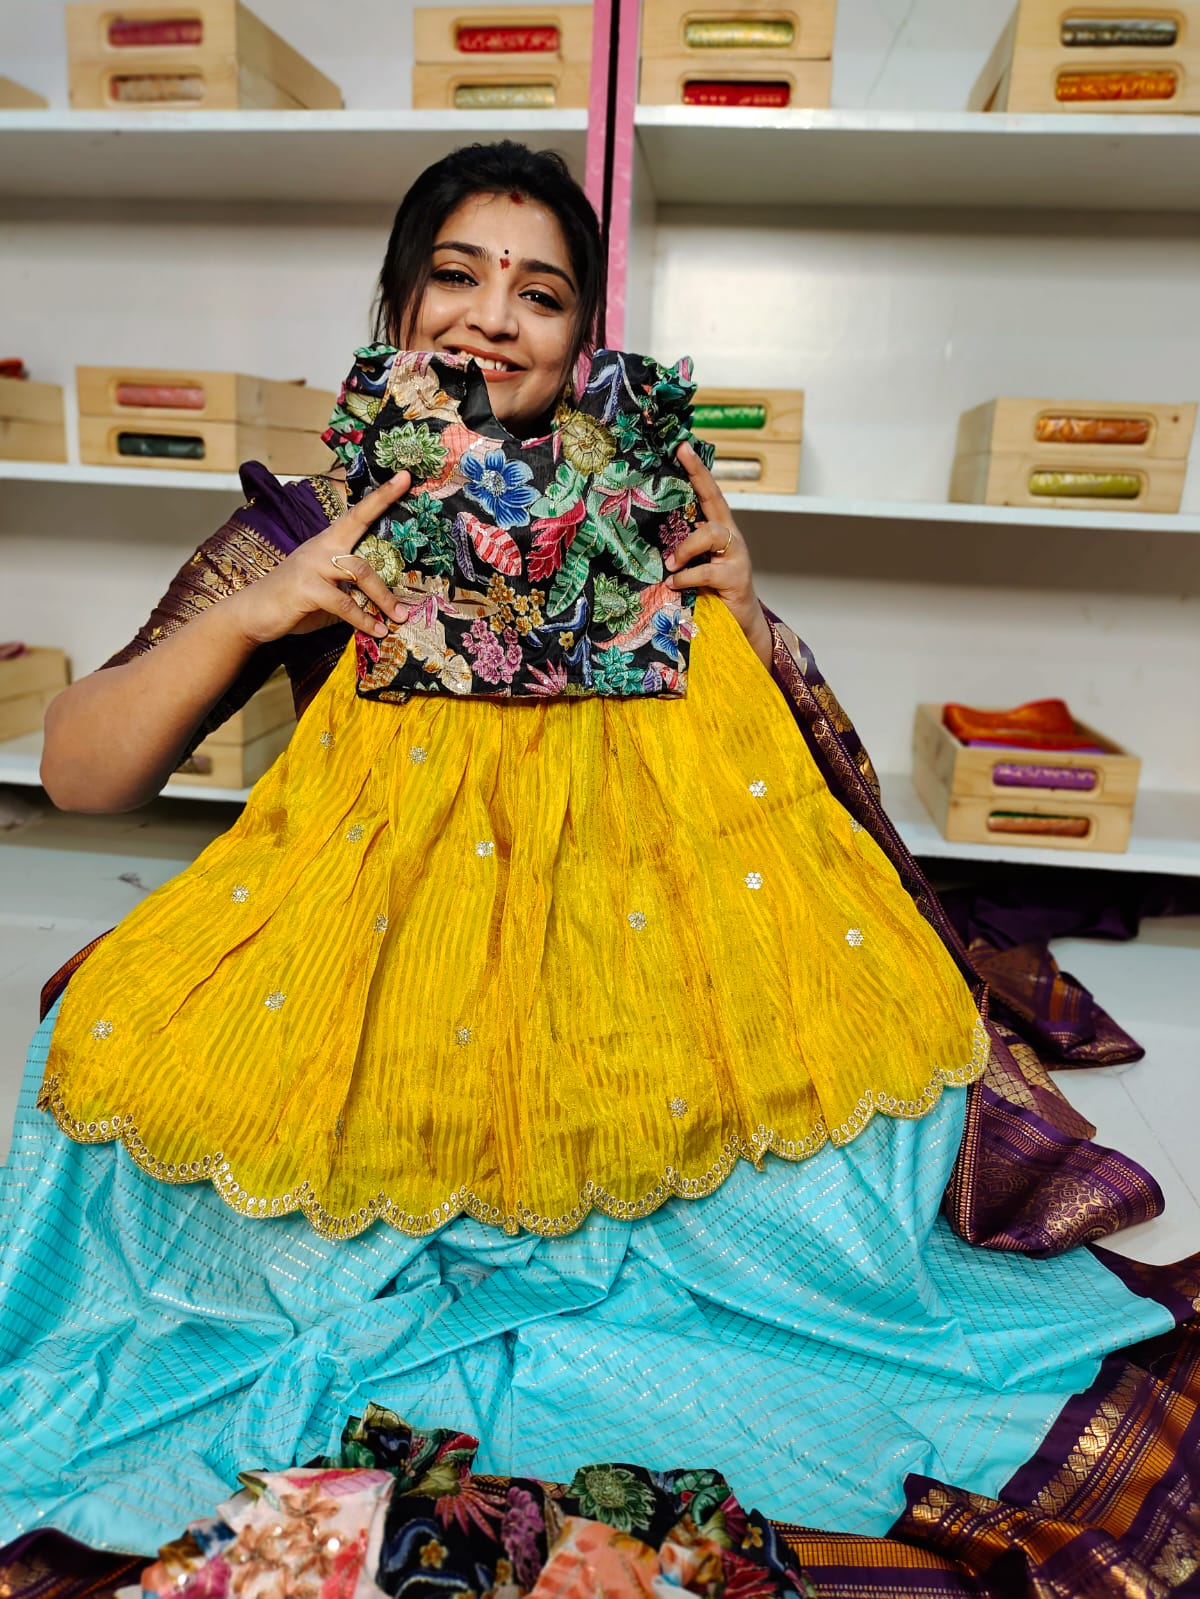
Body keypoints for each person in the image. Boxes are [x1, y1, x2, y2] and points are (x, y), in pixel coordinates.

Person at [2, 142, 1197, 1591]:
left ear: (583, 342)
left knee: (808, 1169)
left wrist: (745, 622)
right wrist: (260, 611)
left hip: (628, 958)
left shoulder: (633, 510)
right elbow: (83, 773)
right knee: (125, 1063)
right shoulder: (319, 517)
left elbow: (793, 790)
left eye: (542, 293)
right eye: (458, 274)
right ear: (398, 302)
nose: (492, 317)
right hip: (381, 961)